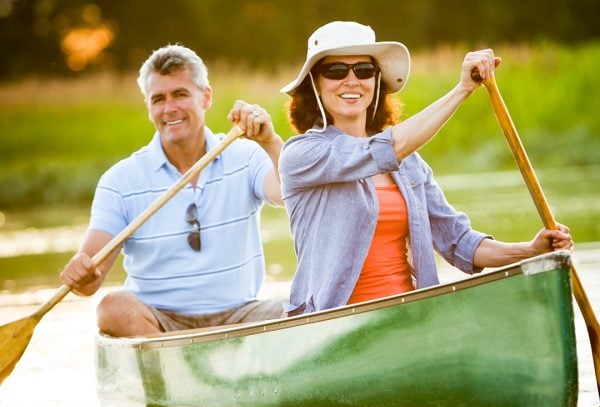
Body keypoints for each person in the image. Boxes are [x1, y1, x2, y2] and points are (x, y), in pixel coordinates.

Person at [278, 21, 573, 316]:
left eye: (364, 71)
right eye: (336, 71)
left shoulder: (409, 164)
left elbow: (459, 242)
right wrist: (462, 89)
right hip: (333, 324)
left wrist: (531, 250)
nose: (352, 80)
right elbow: (385, 149)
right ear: (316, 83)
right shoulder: (303, 154)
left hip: (411, 317)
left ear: (377, 80)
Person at [60, 44, 285, 336]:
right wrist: (80, 273)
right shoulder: (120, 181)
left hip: (241, 316)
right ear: (149, 107)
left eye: (180, 94)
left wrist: (270, 142)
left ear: (206, 98)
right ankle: (179, 373)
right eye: (158, 99)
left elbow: (287, 194)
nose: (170, 108)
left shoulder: (246, 155)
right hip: (159, 324)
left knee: (306, 302)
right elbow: (91, 281)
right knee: (111, 308)